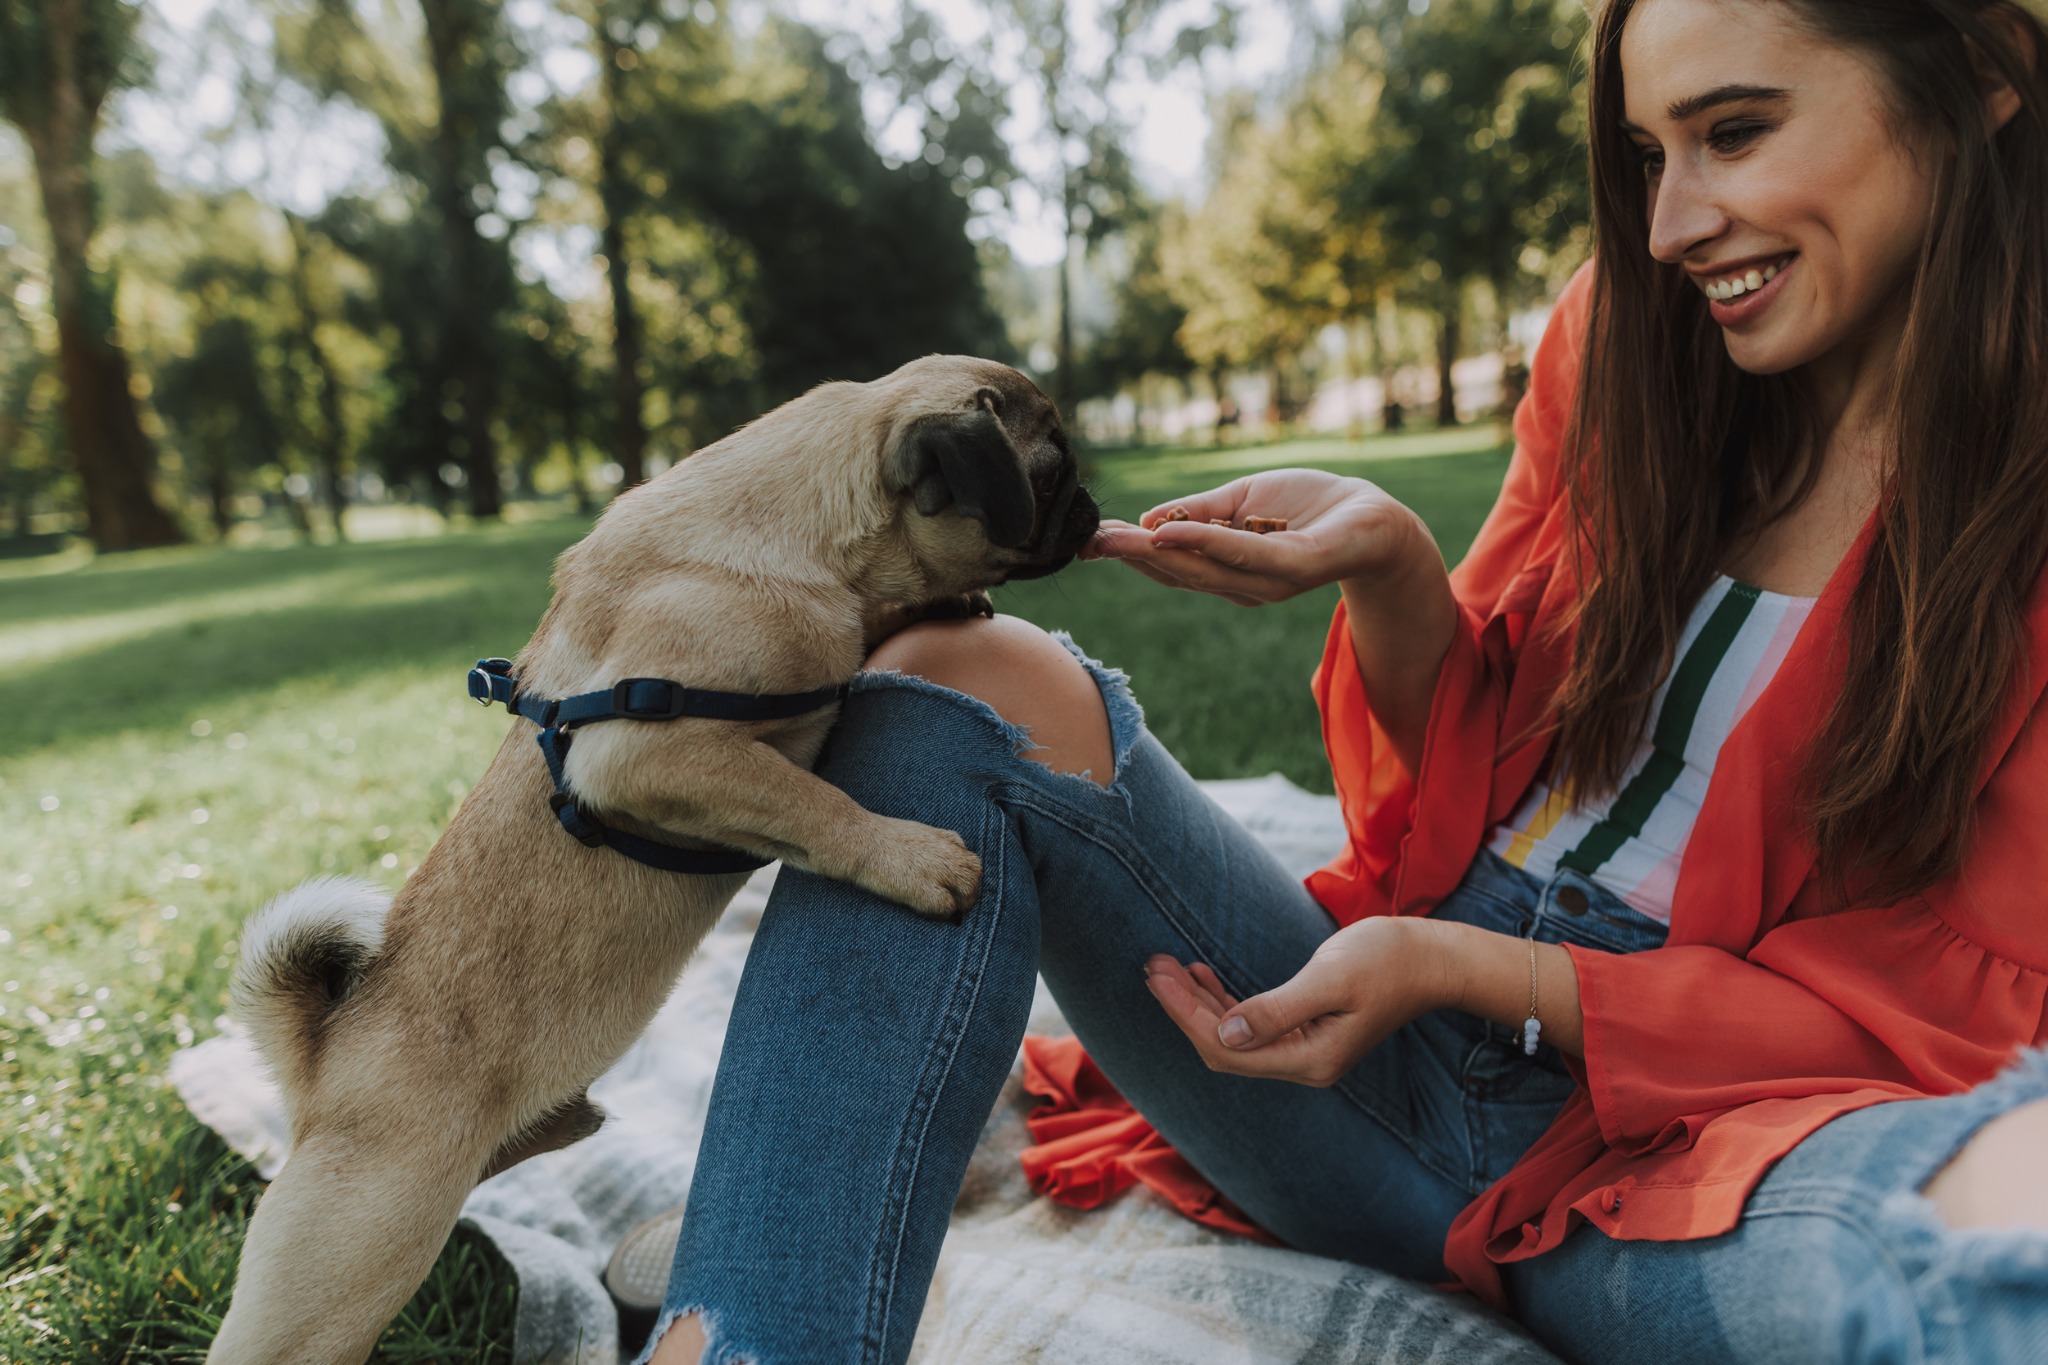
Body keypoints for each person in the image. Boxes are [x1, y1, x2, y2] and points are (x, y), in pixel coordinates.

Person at [645, 1, 2048, 1360]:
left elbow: (1944, 1028)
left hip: (1720, 1160)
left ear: (1980, 77)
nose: (1672, 222)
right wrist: (1388, 563)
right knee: (956, 679)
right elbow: (1475, 762)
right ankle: (742, 1336)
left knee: (2012, 1208)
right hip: (1352, 1053)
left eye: (1733, 132)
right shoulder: (1629, 338)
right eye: (1644, 157)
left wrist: (1473, 966)